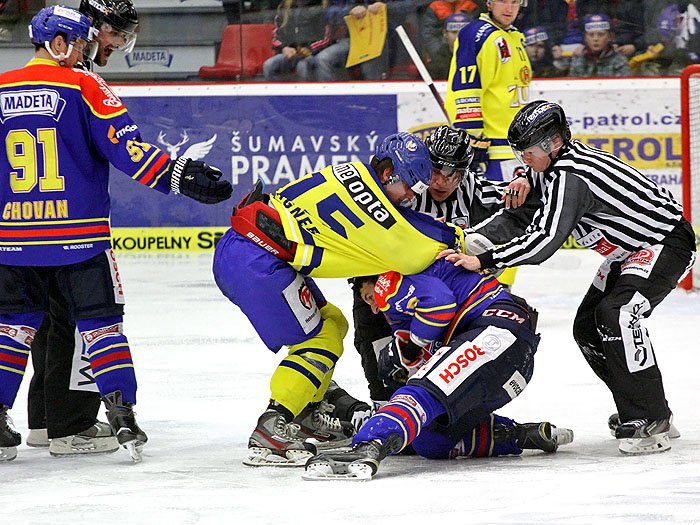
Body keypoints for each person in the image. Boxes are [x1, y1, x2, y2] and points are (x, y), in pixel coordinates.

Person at [0, 5, 232, 462]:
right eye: (78, 44)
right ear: (58, 43)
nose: (84, 52)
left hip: (13, 242)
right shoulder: (83, 85)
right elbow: (129, 151)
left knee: (11, 332)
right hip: (78, 239)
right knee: (102, 327)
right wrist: (182, 176)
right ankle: (122, 416)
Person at [439, 100, 696, 455]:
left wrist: (484, 260)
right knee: (588, 327)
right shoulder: (548, 168)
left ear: (554, 143)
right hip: (627, 251)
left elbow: (545, 241)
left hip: (664, 244)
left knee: (618, 315)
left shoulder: (569, 177)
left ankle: (651, 418)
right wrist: (467, 241)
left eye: (527, 152)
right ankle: (644, 407)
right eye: (519, 153)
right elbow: (519, 216)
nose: (523, 159)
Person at [213, 131, 472, 466]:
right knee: (320, 340)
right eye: (409, 185)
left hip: (245, 248)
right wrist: (458, 238)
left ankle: (308, 410)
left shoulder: (350, 171)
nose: (410, 196)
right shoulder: (379, 208)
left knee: (332, 322)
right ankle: (273, 428)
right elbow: (416, 253)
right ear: (387, 173)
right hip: (258, 262)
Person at [302, 261, 573, 480]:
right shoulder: (411, 304)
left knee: (424, 393)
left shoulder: (390, 281)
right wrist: (407, 356)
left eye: (369, 297)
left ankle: (369, 444)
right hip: (510, 365)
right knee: (430, 440)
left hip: (497, 334)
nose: (373, 307)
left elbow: (440, 304)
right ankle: (520, 435)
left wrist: (412, 346)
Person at [349, 125, 538, 410]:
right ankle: (383, 407)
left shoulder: (476, 191)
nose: (441, 181)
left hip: (442, 292)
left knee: (442, 369)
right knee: (376, 343)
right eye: (435, 170)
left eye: (453, 174)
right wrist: (366, 282)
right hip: (389, 282)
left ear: (464, 173)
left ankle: (437, 412)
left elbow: (536, 201)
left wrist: (526, 179)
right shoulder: (404, 188)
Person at [26, 0, 141, 458]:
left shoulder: (52, 72)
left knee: (44, 319)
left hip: (27, 224)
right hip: (71, 227)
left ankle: (44, 419)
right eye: (116, 34)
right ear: (92, 28)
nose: (117, 45)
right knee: (81, 320)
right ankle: (70, 424)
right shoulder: (78, 76)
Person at [444, 0, 531, 183]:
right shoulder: (476, 35)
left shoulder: (514, 36)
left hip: (517, 148)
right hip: (492, 151)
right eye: (502, 1)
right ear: (489, 3)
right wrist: (470, 139)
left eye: (514, 2)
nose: (509, 8)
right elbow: (466, 89)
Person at [262, 0, 327, 81]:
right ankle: (279, 89)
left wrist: (310, 49)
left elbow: (325, 37)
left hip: (314, 54)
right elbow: (276, 35)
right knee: (269, 65)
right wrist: (284, 48)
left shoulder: (319, 6)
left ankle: (305, 89)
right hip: (291, 53)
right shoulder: (284, 6)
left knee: (302, 66)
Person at [421, 0, 484, 68]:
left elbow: (478, 31)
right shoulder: (434, 7)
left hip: (470, 52)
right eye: (454, 32)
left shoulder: (471, 5)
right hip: (442, 53)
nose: (458, 35)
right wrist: (439, 54)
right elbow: (429, 34)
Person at [568, 13, 631, 78]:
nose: (596, 39)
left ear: (610, 37)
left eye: (601, 34)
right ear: (585, 38)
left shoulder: (620, 61)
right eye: (591, 35)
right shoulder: (578, 60)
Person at [426, 12, 472, 80]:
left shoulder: (480, 56)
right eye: (454, 32)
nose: (458, 36)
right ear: (445, 33)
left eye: (464, 32)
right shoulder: (437, 62)